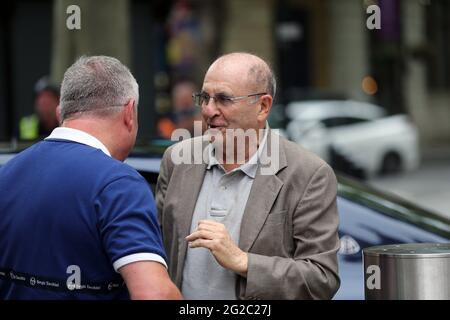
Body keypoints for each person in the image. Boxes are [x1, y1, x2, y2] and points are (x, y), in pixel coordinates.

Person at [156, 52, 340, 300]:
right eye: (205, 98)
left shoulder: (308, 174)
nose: (209, 110)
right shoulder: (176, 160)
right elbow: (156, 252)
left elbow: (321, 279)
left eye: (223, 99)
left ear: (263, 107)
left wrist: (242, 261)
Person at [0, 56, 182, 300]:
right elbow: (154, 294)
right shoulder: (119, 184)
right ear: (129, 112)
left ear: (60, 113)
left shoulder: (6, 174)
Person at [18, 76, 60, 140]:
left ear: (58, 101)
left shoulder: (66, 124)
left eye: (49, 97)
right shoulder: (26, 125)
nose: (44, 103)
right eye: (41, 98)